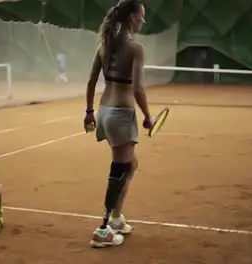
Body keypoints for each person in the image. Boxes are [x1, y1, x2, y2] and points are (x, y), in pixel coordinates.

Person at [83, 0, 152, 248]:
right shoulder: (135, 48)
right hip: (122, 113)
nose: (143, 20)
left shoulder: (105, 45)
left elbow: (91, 82)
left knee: (130, 164)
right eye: (141, 15)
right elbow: (138, 88)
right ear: (132, 17)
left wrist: (90, 113)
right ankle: (103, 230)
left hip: (104, 111)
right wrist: (147, 116)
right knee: (120, 170)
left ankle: (116, 218)